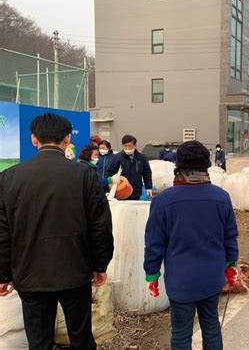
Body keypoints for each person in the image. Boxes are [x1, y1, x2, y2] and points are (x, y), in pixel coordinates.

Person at [0, 113, 114, 349]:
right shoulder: (83, 175)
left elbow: (3, 232)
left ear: (34, 139)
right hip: (75, 271)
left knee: (39, 341)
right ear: (67, 138)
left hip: (30, 274)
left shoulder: (9, 178)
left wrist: (3, 274)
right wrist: (99, 265)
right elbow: (100, 225)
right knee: (81, 337)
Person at [144, 140, 239, 350]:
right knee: (212, 326)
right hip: (212, 277)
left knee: (180, 332)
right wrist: (231, 266)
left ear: (179, 165)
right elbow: (230, 237)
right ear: (207, 165)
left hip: (180, 280)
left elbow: (154, 243)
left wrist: (152, 274)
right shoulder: (222, 198)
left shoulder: (162, 201)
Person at [106, 134, 153, 200]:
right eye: (125, 146)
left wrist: (149, 187)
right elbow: (109, 173)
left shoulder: (142, 158)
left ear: (135, 145)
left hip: (136, 191)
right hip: (121, 191)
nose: (127, 148)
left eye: (130, 146)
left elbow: (147, 173)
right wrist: (111, 184)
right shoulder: (117, 157)